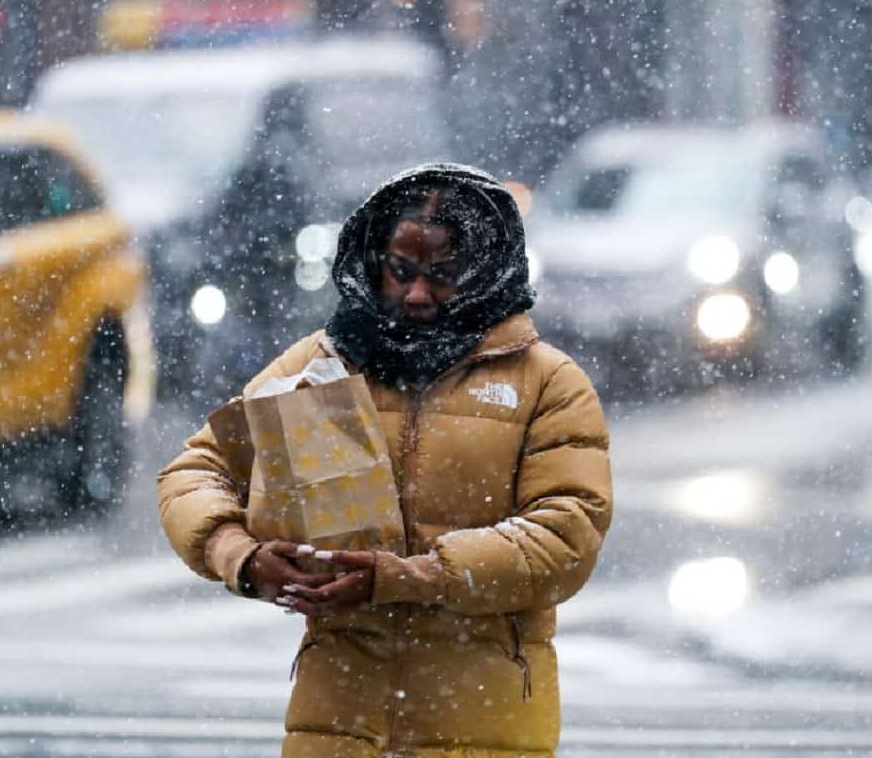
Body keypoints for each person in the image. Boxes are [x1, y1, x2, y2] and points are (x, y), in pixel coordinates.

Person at [158, 163, 613, 757]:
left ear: (490, 272)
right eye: (401, 271)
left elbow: (565, 539)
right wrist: (241, 558)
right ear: (373, 263)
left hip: (486, 732)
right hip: (337, 731)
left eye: (444, 275)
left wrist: (410, 579)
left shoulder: (548, 383)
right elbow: (194, 473)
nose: (417, 293)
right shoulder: (320, 367)